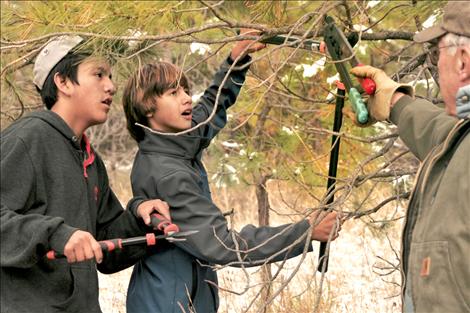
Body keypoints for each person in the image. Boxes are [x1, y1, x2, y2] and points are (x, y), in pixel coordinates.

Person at [122, 29, 342, 313]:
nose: (187, 98)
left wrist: (237, 59)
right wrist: (305, 231)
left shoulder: (173, 142)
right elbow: (223, 245)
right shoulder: (168, 175)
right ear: (147, 107)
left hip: (180, 295)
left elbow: (211, 109)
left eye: (186, 90)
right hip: (169, 304)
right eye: (173, 93)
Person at [0, 36, 171, 313]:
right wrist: (55, 234)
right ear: (63, 82)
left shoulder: (90, 159)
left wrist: (141, 220)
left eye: (111, 76)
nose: (111, 86)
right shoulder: (28, 139)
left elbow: (104, 246)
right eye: (98, 74)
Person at [349, 2, 470, 312]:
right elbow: (445, 135)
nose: (435, 65)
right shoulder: (461, 142)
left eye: (435, 55)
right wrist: (393, 101)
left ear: (463, 62)